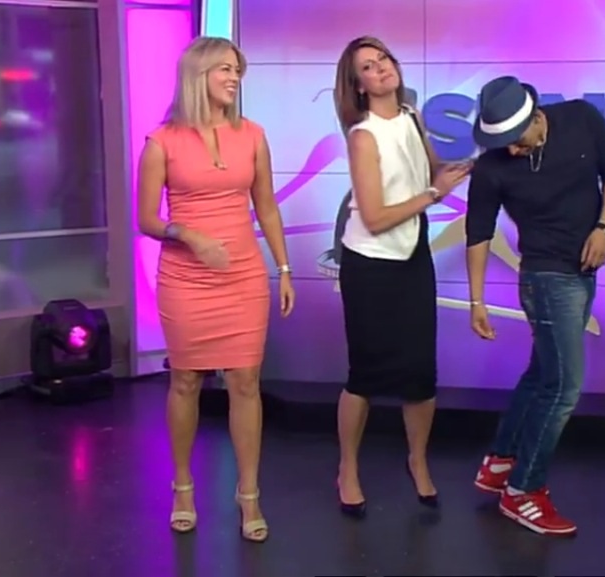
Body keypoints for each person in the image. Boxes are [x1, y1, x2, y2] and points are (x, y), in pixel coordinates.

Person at [136, 36, 294, 542]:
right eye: (225, 68)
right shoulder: (161, 141)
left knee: (245, 381)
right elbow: (146, 220)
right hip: (186, 279)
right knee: (186, 381)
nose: (234, 78)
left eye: (237, 70)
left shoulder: (253, 135)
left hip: (242, 274)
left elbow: (266, 206)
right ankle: (183, 487)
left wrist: (284, 267)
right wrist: (189, 235)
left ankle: (249, 495)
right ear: (198, 74)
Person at [465, 76, 605, 536]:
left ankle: (501, 461)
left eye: (517, 140)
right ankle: (523, 491)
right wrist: (477, 301)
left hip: (584, 270)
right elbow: (478, 234)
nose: (512, 151)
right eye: (502, 143)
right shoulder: (492, 167)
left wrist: (604, 228)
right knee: (563, 387)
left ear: (538, 117)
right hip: (545, 277)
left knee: (542, 375)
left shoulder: (580, 118)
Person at [331, 36, 471, 518]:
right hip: (369, 262)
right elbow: (374, 216)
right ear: (359, 85)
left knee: (420, 373)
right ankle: (348, 468)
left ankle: (418, 460)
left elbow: (430, 171)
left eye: (384, 59)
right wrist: (435, 193)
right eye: (369, 67)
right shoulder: (363, 136)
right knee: (365, 374)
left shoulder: (411, 116)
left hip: (412, 254)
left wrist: (469, 166)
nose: (382, 68)